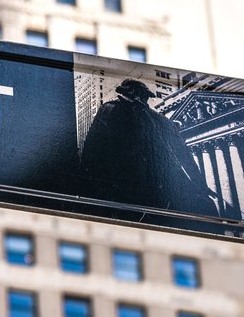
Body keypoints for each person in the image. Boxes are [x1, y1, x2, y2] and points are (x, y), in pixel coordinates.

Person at [79, 78, 223, 216]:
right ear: (134, 94)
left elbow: (182, 154)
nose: (145, 101)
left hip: (141, 188)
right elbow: (93, 149)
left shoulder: (157, 120)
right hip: (127, 187)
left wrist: (200, 185)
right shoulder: (111, 110)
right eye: (143, 96)